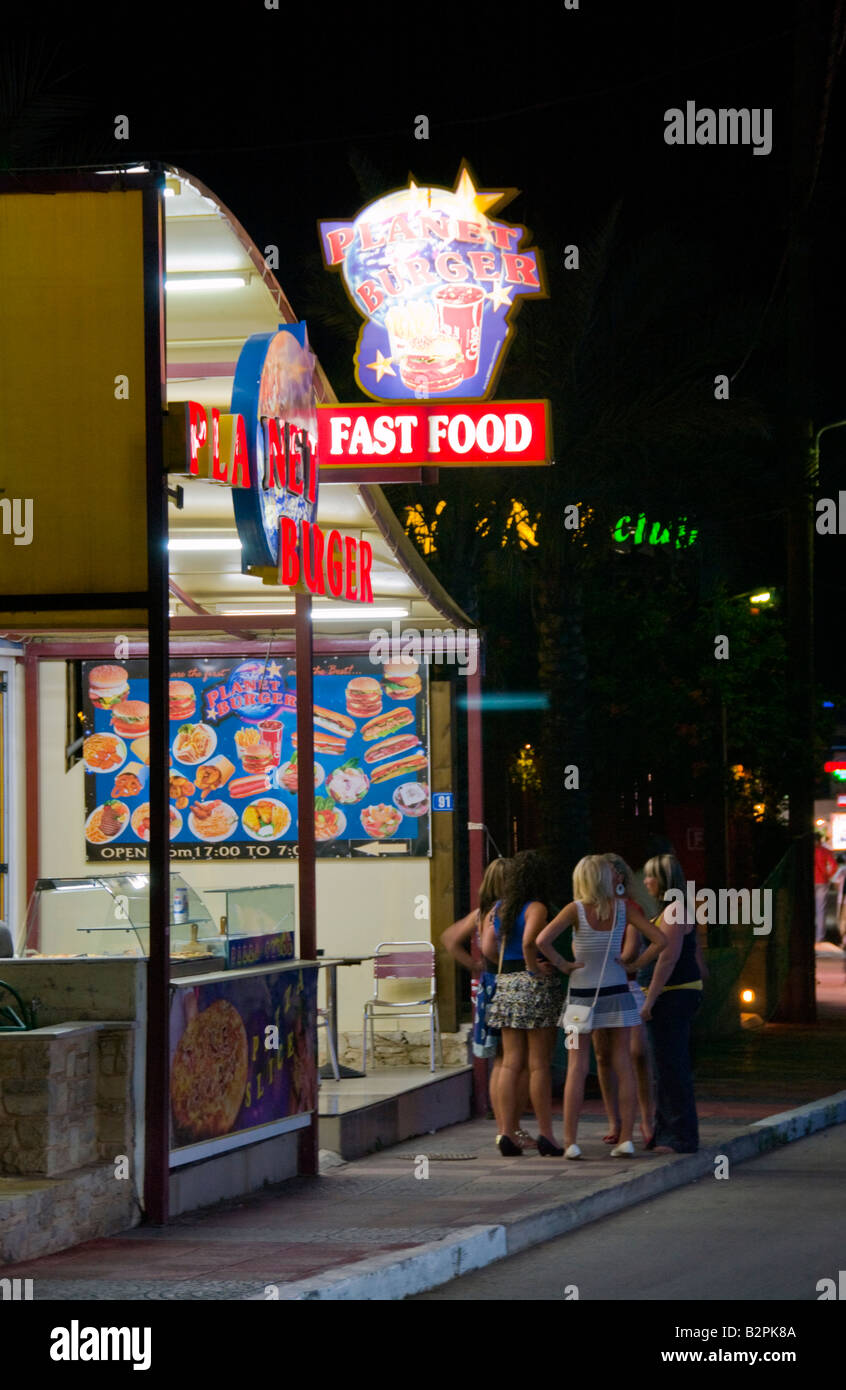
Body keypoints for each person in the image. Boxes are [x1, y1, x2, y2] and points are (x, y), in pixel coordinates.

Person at [536, 855, 666, 1159]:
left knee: (576, 1066)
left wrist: (563, 964)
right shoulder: (623, 909)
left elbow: (542, 940)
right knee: (623, 1063)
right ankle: (626, 1139)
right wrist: (635, 964)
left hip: (579, 998)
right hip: (617, 992)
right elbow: (660, 940)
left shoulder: (574, 909)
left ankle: (571, 1141)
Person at [481, 851, 574, 1156]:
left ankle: (506, 1132)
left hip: (506, 985)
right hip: (534, 988)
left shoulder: (498, 908)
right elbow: (529, 942)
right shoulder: (537, 907)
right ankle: (546, 1134)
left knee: (510, 1062)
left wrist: (509, 967)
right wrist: (533, 967)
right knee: (539, 1065)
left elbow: (487, 948)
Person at [441, 858, 537, 1149]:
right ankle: (513, 1128)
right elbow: (483, 946)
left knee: (500, 1060)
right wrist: (491, 962)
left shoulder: (481, 912)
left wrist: (476, 966)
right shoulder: (505, 911)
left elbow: (449, 939)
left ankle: (502, 1128)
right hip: (506, 982)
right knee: (517, 1060)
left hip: (487, 986)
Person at [640, 853, 705, 1154]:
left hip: (674, 994)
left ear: (663, 880)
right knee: (664, 1066)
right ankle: (666, 1130)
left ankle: (680, 1135)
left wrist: (650, 999)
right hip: (673, 993)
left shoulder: (676, 910)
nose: (645, 881)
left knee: (671, 1066)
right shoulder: (672, 909)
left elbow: (668, 958)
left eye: (650, 876)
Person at [592, 853, 656, 1148]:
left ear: (618, 877)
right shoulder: (589, 908)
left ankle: (646, 1117)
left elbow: (631, 950)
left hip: (625, 984)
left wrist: (613, 959)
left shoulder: (631, 908)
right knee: (602, 1055)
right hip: (597, 986)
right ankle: (614, 1120)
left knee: (637, 1052)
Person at [814, 832, 838, 943]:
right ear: (820, 840)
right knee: (821, 910)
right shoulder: (825, 851)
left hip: (810, 881)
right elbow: (834, 866)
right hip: (822, 882)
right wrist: (828, 876)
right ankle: (820, 937)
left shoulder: (807, 851)